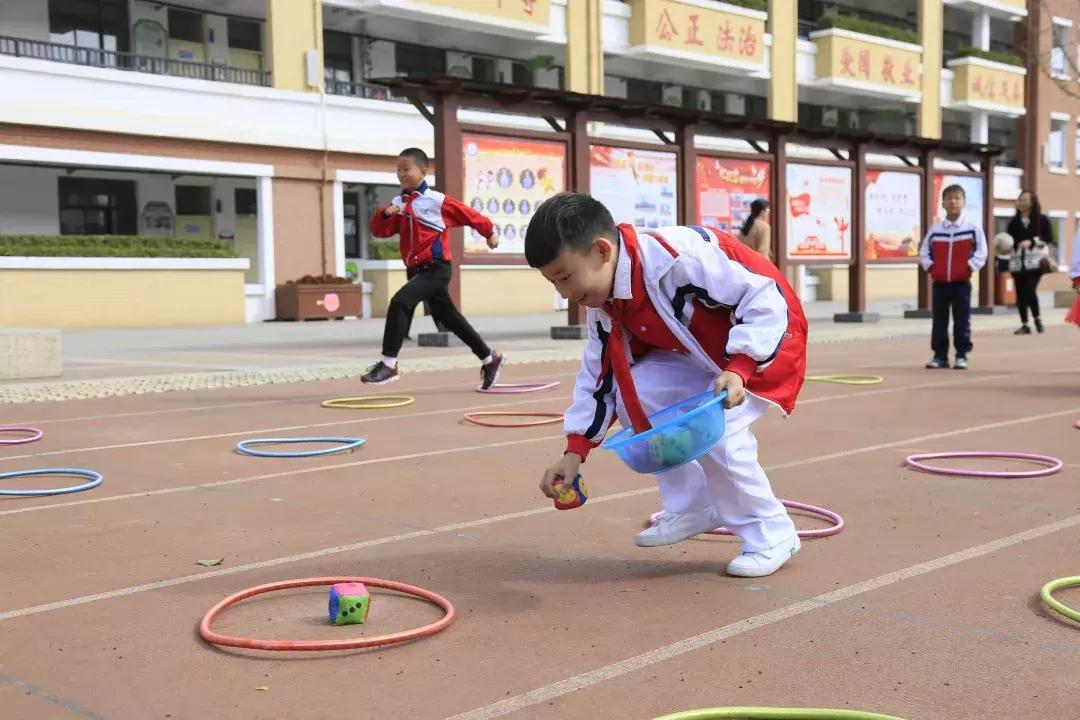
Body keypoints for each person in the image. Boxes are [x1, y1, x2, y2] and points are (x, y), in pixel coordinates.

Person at [524, 193, 808, 578]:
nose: (564, 294)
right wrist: (575, 451)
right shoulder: (603, 302)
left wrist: (741, 366)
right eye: (552, 282)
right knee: (633, 392)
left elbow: (764, 298)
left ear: (602, 251)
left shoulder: (677, 260)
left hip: (769, 336)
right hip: (701, 356)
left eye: (565, 277)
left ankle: (772, 532)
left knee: (718, 431)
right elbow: (599, 375)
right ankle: (694, 504)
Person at [364, 147, 504, 387]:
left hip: (436, 269)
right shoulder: (398, 203)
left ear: (423, 170)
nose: (401, 174)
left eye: (406, 169)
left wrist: (489, 232)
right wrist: (386, 214)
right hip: (416, 271)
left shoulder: (436, 201)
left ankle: (388, 363)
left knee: (400, 301)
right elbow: (379, 230)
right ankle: (489, 358)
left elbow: (469, 215)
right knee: (449, 318)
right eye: (398, 169)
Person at [920, 184, 987, 370]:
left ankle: (961, 355)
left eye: (957, 198)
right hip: (940, 283)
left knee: (962, 319)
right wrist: (931, 267)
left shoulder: (972, 228)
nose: (953, 202)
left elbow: (982, 252)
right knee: (939, 321)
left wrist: (969, 267)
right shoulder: (936, 229)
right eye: (949, 198)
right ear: (943, 203)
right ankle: (940, 356)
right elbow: (924, 251)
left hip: (961, 283)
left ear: (964, 202)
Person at [1006, 190, 1055, 334]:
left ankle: (1037, 319)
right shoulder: (1013, 223)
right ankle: (1025, 324)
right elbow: (1010, 241)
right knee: (1020, 293)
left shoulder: (1042, 220)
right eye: (1020, 200)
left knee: (1029, 290)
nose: (1021, 202)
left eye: (1025, 200)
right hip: (1017, 263)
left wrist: (1032, 241)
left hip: (1035, 262)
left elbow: (1049, 238)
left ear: (1032, 202)